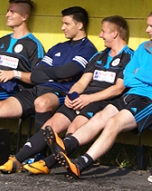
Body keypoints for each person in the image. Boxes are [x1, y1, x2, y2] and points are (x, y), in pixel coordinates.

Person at [0, 6, 97, 142]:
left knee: (41, 102)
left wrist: (53, 74)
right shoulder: (58, 47)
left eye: (66, 24)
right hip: (37, 88)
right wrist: (56, 74)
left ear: (80, 25)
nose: (62, 27)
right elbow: (38, 73)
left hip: (59, 92)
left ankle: (37, 153)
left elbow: (66, 72)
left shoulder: (88, 49)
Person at [44, 11, 152, 179]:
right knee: (99, 117)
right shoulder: (143, 47)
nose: (147, 30)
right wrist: (142, 74)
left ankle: (81, 163)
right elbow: (128, 77)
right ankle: (65, 145)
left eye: (151, 26)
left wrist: (140, 72)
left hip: (147, 99)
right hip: (131, 94)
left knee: (113, 123)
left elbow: (134, 74)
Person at [23, 15, 133, 175]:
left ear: (115, 33)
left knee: (74, 126)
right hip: (84, 99)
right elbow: (82, 82)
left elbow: (118, 89)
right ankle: (21, 159)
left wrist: (88, 98)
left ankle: (48, 163)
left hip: (103, 102)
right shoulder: (99, 56)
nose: (100, 35)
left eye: (103, 31)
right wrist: (72, 95)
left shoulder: (130, 56)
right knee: (52, 125)